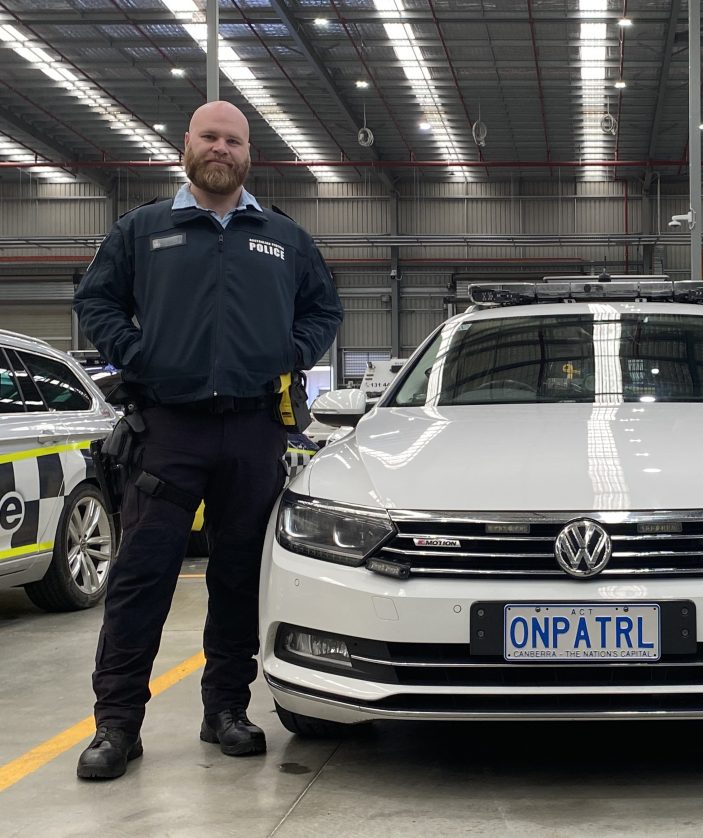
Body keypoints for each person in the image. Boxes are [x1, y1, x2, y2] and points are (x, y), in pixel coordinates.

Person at [73, 100, 343, 780]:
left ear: (248, 155)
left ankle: (225, 708)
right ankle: (118, 724)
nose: (221, 148)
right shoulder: (143, 230)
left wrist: (291, 351)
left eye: (234, 140)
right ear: (187, 145)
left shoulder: (282, 237)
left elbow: (325, 307)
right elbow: (96, 301)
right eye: (210, 137)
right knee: (142, 578)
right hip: (168, 430)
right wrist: (138, 356)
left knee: (236, 579)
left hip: (254, 431)